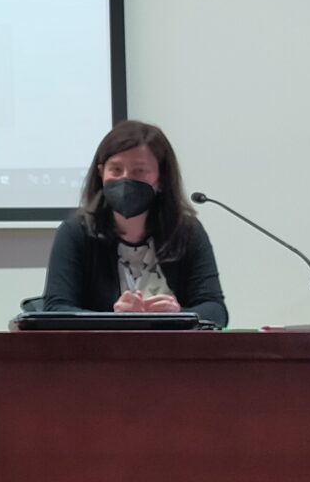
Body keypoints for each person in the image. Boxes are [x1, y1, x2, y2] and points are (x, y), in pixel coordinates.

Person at [39, 119, 228, 327]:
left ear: (162, 178)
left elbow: (216, 311)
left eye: (139, 171)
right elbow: (56, 309)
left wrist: (178, 315)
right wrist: (114, 319)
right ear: (101, 173)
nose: (125, 179)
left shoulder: (186, 232)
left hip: (171, 347)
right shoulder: (76, 232)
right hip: (102, 347)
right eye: (116, 170)